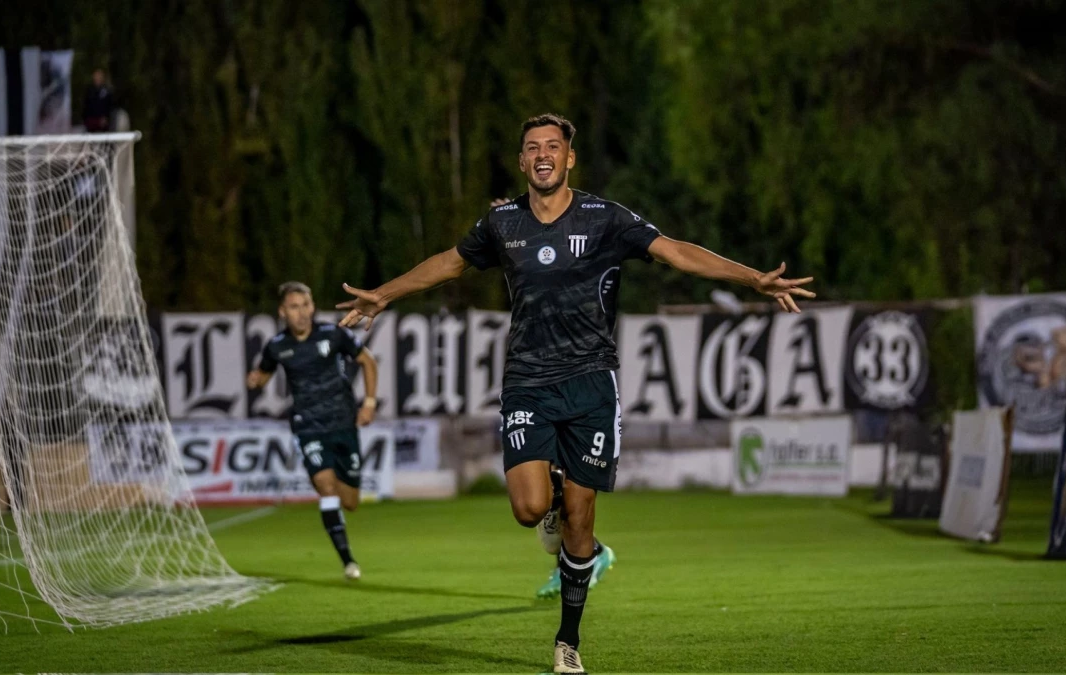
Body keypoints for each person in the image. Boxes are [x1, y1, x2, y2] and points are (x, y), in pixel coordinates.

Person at [338, 113, 815, 673]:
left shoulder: (605, 217)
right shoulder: (502, 223)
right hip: (527, 379)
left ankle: (568, 641)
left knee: (582, 522)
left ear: (569, 159)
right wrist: (386, 295)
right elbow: (451, 263)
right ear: (522, 161)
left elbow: (677, 251)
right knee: (528, 507)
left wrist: (753, 278)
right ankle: (551, 507)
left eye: (553, 146)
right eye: (532, 147)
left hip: (591, 381)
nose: (542, 154)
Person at [247, 281, 380, 581]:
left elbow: (368, 361)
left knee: (351, 502)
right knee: (326, 487)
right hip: (308, 426)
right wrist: (255, 380)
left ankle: (345, 546)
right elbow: (262, 375)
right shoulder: (277, 345)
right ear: (283, 312)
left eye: (305, 305)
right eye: (294, 307)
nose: (302, 312)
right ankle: (348, 560)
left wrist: (369, 403)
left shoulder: (333, 334)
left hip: (344, 423)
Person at [82, 69, 114, 133]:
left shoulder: (107, 91)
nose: (97, 78)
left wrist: (106, 118)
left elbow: (109, 106)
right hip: (91, 122)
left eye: (99, 76)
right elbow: (86, 106)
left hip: (103, 122)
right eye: (95, 76)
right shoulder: (90, 90)